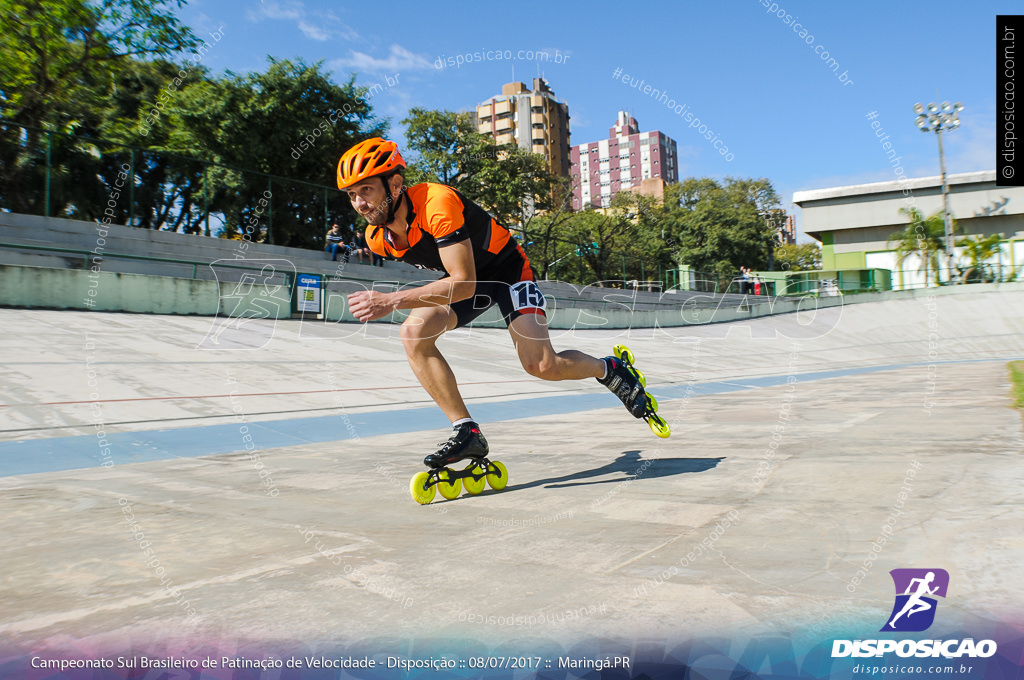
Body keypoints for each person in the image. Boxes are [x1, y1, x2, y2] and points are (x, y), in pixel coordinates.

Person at [339, 137, 657, 469]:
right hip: (471, 281)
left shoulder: (436, 203)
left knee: (542, 366)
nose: (360, 203)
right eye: (352, 195)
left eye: (366, 190)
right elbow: (460, 282)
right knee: (413, 332)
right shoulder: (378, 239)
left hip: (507, 272)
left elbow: (462, 282)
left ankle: (611, 370)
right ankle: (466, 431)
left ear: (395, 183)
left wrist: (392, 300)